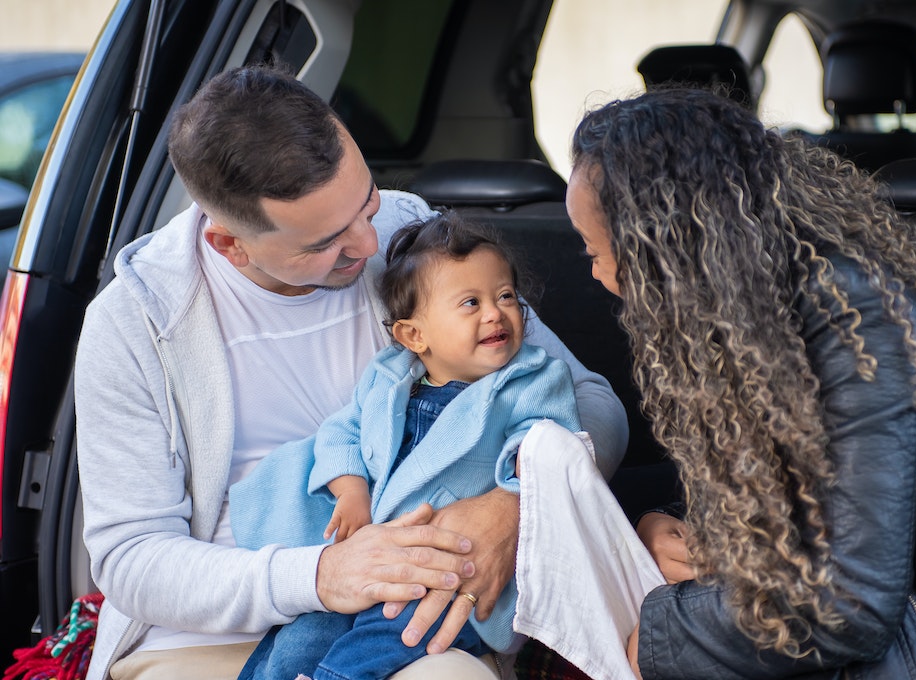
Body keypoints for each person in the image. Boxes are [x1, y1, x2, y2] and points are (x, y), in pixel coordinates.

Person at [74, 64, 628, 680]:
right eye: (325, 243)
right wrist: (321, 574)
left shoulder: (410, 240)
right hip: (204, 637)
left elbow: (587, 401)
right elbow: (131, 558)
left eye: (367, 200)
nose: (369, 245)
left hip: (405, 614)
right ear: (230, 243)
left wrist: (514, 510)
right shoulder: (136, 322)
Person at [565, 86, 916, 678]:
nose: (597, 274)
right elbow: (783, 495)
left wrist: (659, 635)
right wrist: (675, 525)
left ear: (666, 249)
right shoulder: (758, 310)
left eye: (596, 253)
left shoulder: (861, 325)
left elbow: (849, 604)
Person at [228, 211, 581, 680]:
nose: (496, 312)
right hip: (367, 560)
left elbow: (548, 448)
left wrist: (514, 492)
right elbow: (341, 433)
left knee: (391, 633)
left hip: (444, 574)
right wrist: (351, 490)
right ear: (415, 335)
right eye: (470, 303)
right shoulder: (389, 378)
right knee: (299, 635)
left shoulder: (530, 380)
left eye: (506, 296)